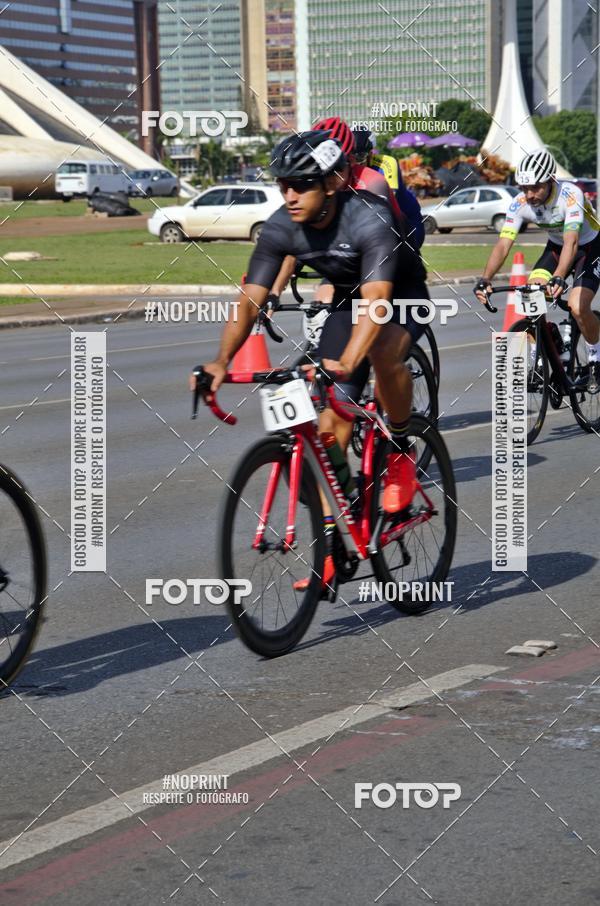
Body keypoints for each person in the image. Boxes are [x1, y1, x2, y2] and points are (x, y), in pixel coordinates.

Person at [196, 131, 430, 588]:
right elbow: (249, 300)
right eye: (283, 185)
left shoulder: (369, 217)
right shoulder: (281, 224)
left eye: (301, 185)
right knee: (328, 430)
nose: (290, 195)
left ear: (331, 182)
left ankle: (402, 448)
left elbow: (378, 302)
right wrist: (221, 361)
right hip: (347, 297)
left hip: (399, 294)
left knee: (382, 352)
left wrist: (347, 360)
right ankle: (333, 544)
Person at [474, 149, 600, 368]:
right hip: (556, 248)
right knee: (530, 298)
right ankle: (543, 348)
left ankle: (595, 356)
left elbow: (572, 241)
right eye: (524, 188)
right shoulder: (519, 203)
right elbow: (503, 244)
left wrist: (559, 276)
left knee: (578, 306)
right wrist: (485, 278)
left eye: (535, 187)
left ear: (551, 181)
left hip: (589, 247)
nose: (529, 194)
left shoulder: (570, 196)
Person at [352, 128, 425, 249]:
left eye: (360, 157)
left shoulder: (386, 164)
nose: (355, 163)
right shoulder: (346, 166)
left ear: (371, 153)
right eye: (351, 157)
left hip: (407, 220)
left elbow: (386, 207)